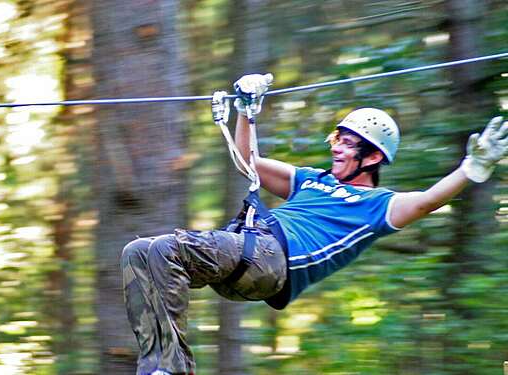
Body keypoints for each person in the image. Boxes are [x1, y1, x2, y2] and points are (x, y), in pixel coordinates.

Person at [120, 73, 508, 375]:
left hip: (273, 262)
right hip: (246, 252)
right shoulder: (312, 179)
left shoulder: (376, 206)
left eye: (348, 142)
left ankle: (171, 368)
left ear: (372, 158)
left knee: (168, 249)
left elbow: (426, 202)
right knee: (138, 252)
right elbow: (247, 160)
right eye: (337, 137)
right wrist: (245, 110)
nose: (336, 146)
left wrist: (471, 169)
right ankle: (161, 366)